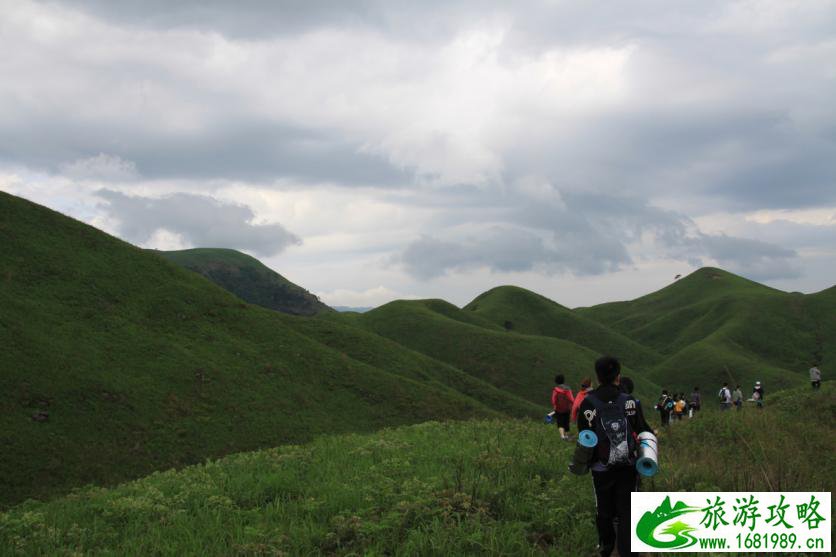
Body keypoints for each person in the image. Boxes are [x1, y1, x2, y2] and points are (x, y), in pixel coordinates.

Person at [570, 356, 651, 557]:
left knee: (604, 510)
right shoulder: (629, 401)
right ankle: (628, 551)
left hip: (601, 468)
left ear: (597, 377)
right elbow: (642, 430)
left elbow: (585, 435)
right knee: (627, 510)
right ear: (618, 376)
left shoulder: (589, 403)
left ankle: (606, 548)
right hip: (628, 466)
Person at [552, 374, 575, 440]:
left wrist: (555, 405)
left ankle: (562, 436)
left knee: (560, 422)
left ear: (556, 381)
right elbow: (571, 399)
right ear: (563, 380)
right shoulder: (567, 389)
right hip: (567, 409)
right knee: (566, 422)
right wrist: (573, 404)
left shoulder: (555, 390)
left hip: (558, 409)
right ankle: (567, 436)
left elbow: (553, 400)